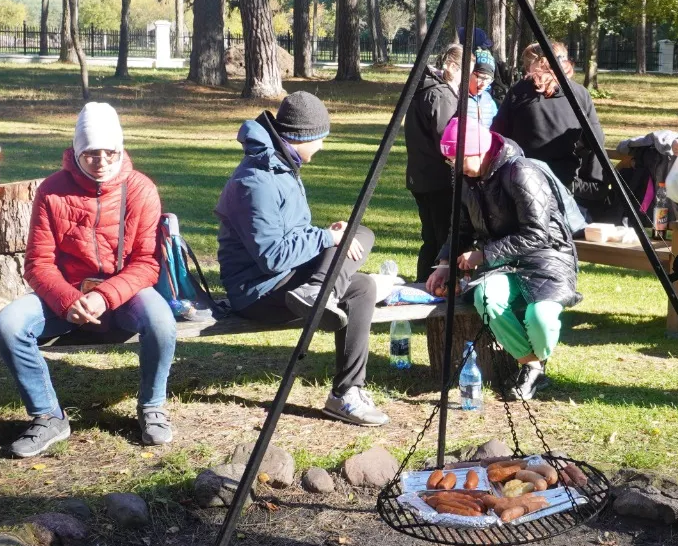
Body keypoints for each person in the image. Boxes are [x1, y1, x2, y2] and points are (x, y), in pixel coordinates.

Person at [0, 103, 175, 457]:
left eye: (111, 152)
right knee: (9, 323)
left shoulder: (141, 189)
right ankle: (47, 416)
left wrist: (104, 296)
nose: (102, 161)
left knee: (162, 322)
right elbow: (38, 262)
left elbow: (147, 264)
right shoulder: (52, 190)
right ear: (77, 152)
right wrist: (66, 299)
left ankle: (152, 407)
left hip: (125, 294)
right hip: (67, 294)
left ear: (121, 150)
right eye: (91, 153)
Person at [216, 92, 390, 427]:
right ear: (301, 137)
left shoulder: (281, 166)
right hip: (256, 292)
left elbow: (291, 233)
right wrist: (327, 238)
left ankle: (345, 393)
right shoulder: (256, 181)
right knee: (350, 247)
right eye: (321, 139)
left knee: (362, 266)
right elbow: (272, 256)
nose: (323, 147)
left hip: (284, 279)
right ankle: (317, 291)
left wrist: (329, 232)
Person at [424, 119, 580, 401]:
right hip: (501, 263)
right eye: (449, 160)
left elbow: (537, 234)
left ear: (480, 150)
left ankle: (538, 361)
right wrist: (445, 263)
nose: (453, 166)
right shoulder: (466, 180)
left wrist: (483, 255)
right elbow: (460, 228)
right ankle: (530, 365)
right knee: (486, 298)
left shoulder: (521, 172)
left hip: (546, 258)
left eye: (457, 159)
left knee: (540, 318)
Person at [492, 42, 611, 219]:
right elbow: (596, 140)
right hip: (566, 186)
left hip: (528, 185)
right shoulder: (579, 93)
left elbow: (498, 136)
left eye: (527, 65)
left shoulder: (519, 92)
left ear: (535, 64)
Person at [406, 43, 464, 280]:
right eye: (465, 70)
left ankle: (423, 285)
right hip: (438, 178)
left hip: (422, 176)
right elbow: (448, 141)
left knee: (430, 239)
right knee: (441, 240)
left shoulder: (425, 88)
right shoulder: (440, 94)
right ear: (451, 66)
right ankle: (437, 289)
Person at [466, 49, 500, 131]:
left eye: (488, 79)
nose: (484, 83)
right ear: (469, 73)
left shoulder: (488, 99)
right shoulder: (457, 96)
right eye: (480, 77)